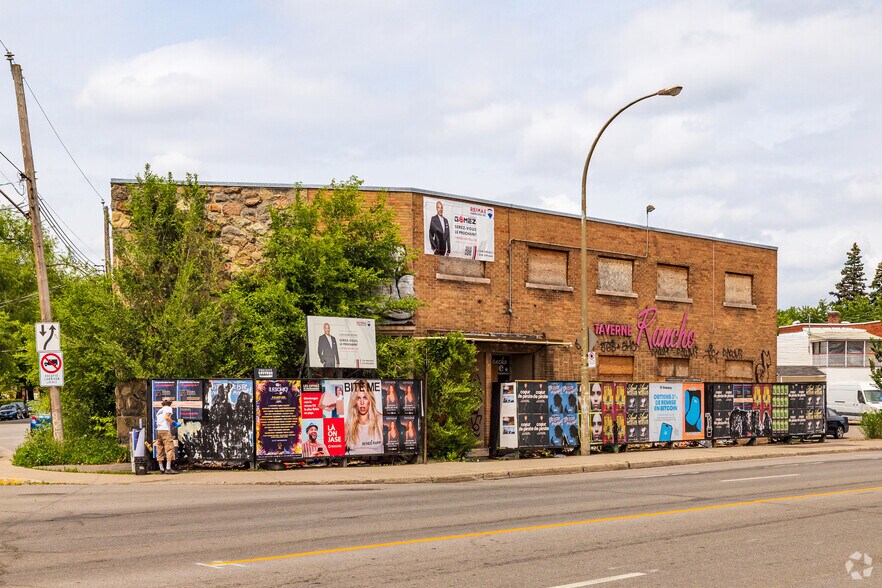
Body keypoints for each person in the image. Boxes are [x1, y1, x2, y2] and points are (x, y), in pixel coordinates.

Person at [345, 380, 384, 454]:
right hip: (353, 463)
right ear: (354, 401)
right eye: (358, 398)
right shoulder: (348, 424)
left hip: (378, 462)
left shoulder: (380, 420)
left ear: (370, 399)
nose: (362, 402)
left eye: (365, 397)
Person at [154, 398, 179, 474]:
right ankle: (168, 468)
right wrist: (174, 423)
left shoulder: (159, 411)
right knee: (170, 449)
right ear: (169, 403)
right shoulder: (168, 408)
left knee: (160, 448)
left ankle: (161, 468)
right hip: (165, 430)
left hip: (158, 431)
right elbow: (167, 417)